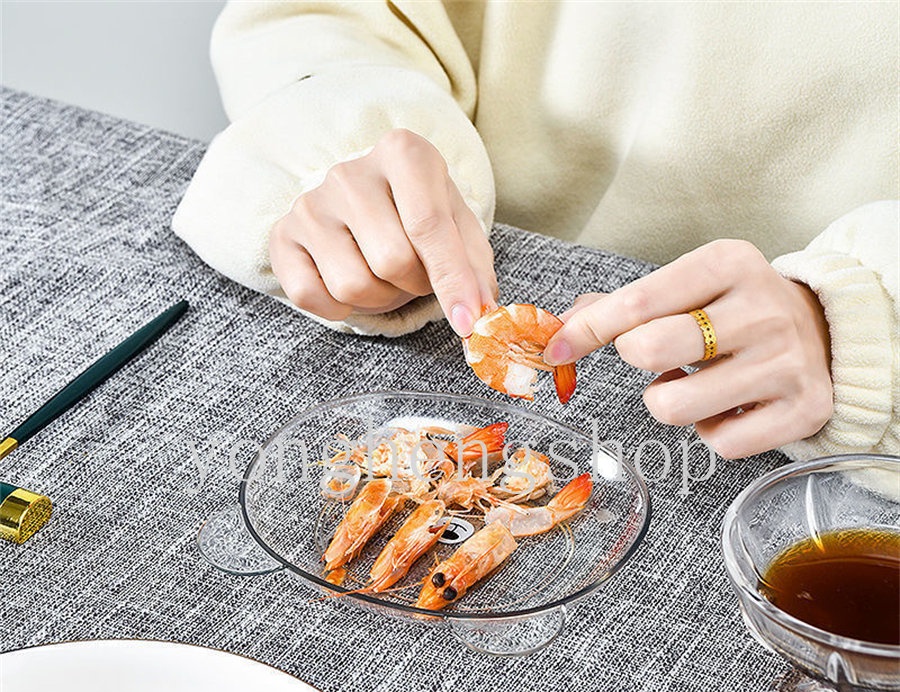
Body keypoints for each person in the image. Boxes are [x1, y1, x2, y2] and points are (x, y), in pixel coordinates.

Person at [172, 1, 898, 461]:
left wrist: (865, 320)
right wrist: (347, 143)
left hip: (821, 441)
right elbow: (328, 15)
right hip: (471, 290)